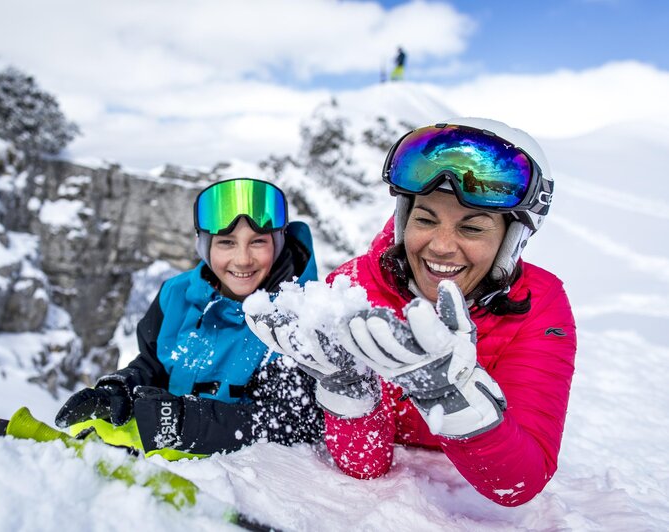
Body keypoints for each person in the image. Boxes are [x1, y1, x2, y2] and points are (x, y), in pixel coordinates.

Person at [247, 118, 576, 506]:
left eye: (472, 229)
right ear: (405, 221)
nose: (440, 246)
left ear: (511, 240)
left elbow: (520, 482)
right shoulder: (354, 286)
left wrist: (453, 400)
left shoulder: (541, 305)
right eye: (425, 219)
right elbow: (364, 469)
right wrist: (349, 394)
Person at [0, 178, 323, 458]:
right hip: (159, 451)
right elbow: (153, 364)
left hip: (243, 475)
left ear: (277, 244)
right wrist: (120, 389)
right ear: (205, 246)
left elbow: (291, 424)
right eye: (226, 242)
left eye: (257, 241)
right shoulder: (177, 296)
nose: (242, 260)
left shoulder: (300, 318)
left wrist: (181, 421)